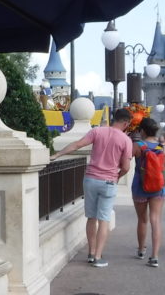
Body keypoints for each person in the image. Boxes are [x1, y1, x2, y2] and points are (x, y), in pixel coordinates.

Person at [50, 107, 133, 268]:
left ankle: (90, 251)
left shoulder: (97, 132)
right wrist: (118, 176)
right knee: (104, 219)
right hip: (108, 180)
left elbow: (78, 144)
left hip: (90, 179)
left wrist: (57, 155)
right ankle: (97, 256)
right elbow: (126, 166)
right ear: (125, 123)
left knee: (91, 217)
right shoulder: (125, 140)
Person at [130, 117, 165, 267]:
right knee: (155, 220)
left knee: (142, 220)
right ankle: (154, 256)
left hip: (140, 186)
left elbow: (125, 161)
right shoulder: (163, 148)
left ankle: (141, 249)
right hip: (158, 187)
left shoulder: (137, 146)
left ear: (142, 131)